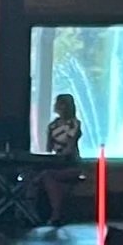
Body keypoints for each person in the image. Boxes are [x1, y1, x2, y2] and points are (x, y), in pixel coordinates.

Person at [39, 91, 83, 225]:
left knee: (47, 177)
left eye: (59, 103)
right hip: (55, 163)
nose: (56, 106)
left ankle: (56, 213)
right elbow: (48, 148)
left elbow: (70, 147)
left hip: (71, 164)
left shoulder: (74, 124)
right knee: (41, 176)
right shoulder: (53, 125)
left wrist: (59, 156)